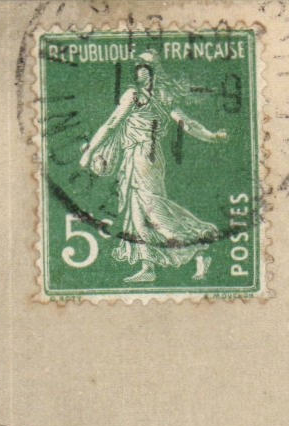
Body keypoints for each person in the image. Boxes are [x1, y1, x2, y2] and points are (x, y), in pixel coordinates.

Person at [78, 58, 228, 284]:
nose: (139, 73)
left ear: (151, 73)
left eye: (143, 69)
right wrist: (211, 136)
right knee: (137, 214)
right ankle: (149, 266)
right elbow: (188, 124)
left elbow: (112, 124)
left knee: (152, 209)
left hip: (142, 157)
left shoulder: (136, 96)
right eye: (138, 69)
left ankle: (199, 241)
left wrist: (90, 152)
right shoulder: (163, 98)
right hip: (145, 157)